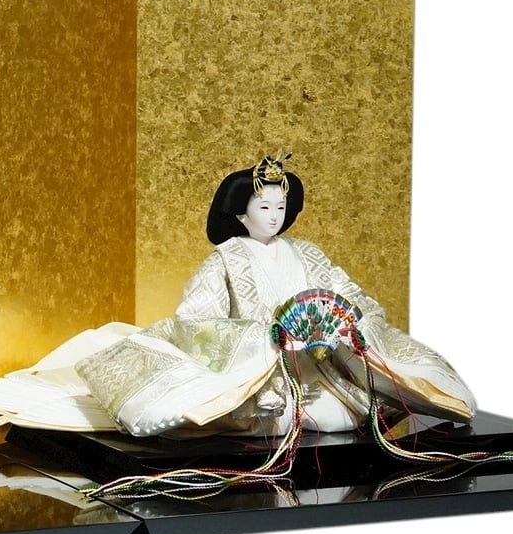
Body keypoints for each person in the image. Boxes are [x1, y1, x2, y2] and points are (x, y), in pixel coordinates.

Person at [74, 153, 477, 439]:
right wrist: (264, 339)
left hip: (322, 369)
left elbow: (358, 300)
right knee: (242, 415)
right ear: (240, 214)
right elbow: (195, 320)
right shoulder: (226, 259)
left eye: (280, 207)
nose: (274, 216)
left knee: (343, 415)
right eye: (264, 207)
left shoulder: (310, 254)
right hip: (260, 376)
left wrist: (344, 326)